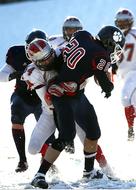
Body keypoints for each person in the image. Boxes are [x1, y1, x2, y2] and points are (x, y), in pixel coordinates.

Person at [25, 25, 125, 188]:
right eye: (116, 47)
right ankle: (39, 175)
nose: (116, 51)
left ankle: (88, 172)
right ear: (109, 43)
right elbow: (105, 83)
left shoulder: (83, 34)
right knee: (66, 136)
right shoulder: (101, 56)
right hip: (62, 93)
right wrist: (109, 88)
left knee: (93, 132)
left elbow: (69, 55)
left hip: (75, 92)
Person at [49, 15, 113, 168]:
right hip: (56, 93)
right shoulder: (54, 42)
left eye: (74, 29)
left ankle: (104, 167)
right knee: (55, 136)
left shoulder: (80, 40)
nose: (71, 32)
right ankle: (46, 169)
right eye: (68, 29)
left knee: (89, 134)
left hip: (75, 93)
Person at [0, 29, 53, 172]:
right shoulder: (17, 55)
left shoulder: (52, 55)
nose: (36, 51)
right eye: (32, 47)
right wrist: (15, 75)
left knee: (47, 131)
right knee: (16, 116)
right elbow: (2, 75)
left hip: (41, 98)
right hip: (22, 96)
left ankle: (47, 160)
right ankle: (22, 160)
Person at [114, 8, 136, 141]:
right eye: (120, 22)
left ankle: (131, 130)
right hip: (124, 74)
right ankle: (131, 130)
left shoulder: (134, 34)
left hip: (134, 72)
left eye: (125, 22)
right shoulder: (113, 36)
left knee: (125, 97)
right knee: (131, 100)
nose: (122, 25)